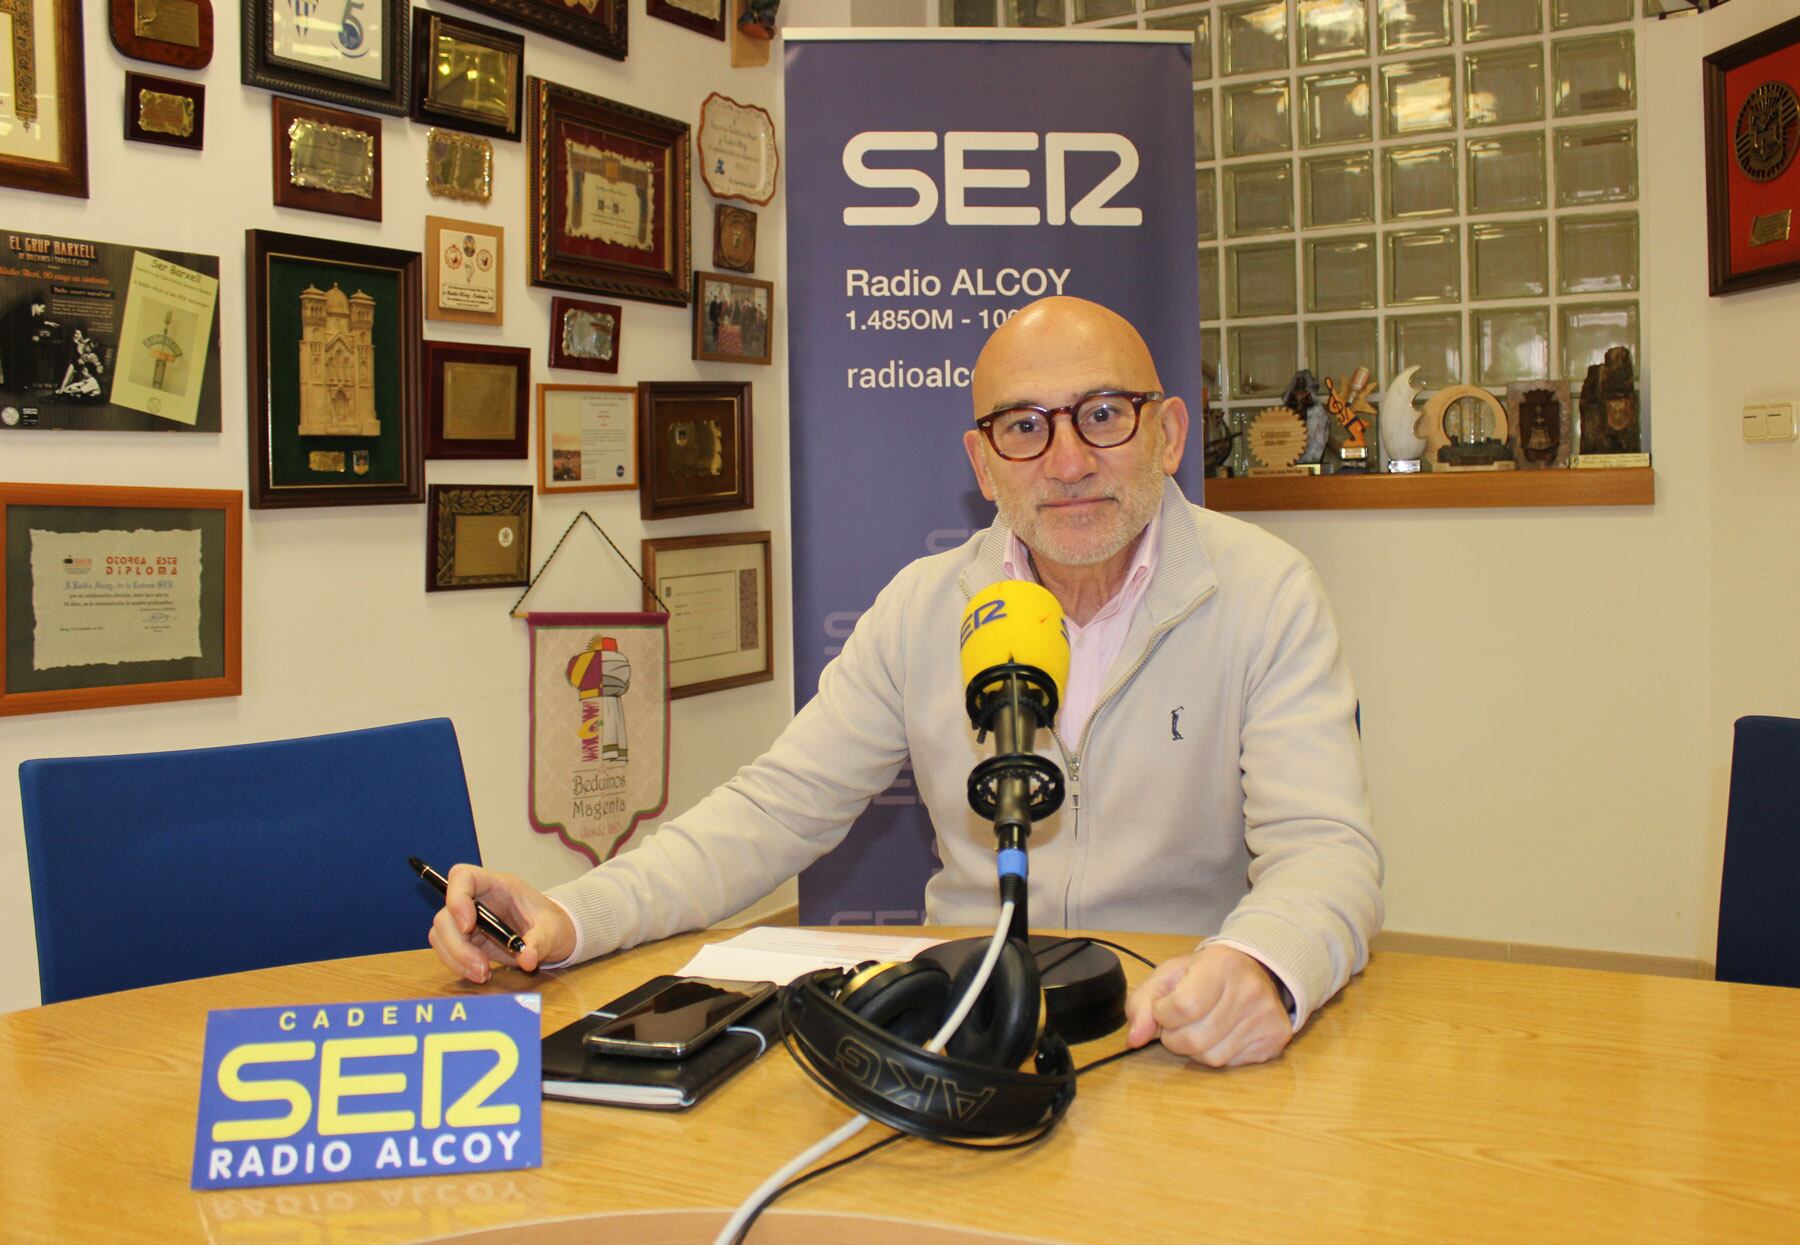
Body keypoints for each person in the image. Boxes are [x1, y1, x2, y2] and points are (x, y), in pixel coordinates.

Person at [431, 297, 1383, 1068]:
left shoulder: (1266, 592)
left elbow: (1326, 852)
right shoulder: (929, 606)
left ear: (1168, 433)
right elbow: (772, 810)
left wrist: (1264, 965)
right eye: (1024, 426)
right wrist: (573, 912)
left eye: (1102, 414)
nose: (1068, 460)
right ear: (982, 462)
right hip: (962, 1027)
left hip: (1175, 1026)